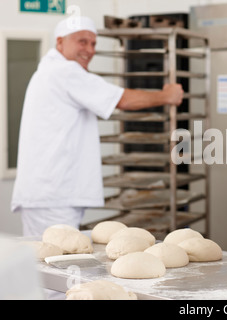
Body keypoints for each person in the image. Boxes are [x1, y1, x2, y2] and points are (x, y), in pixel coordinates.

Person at [11, 16, 184, 237]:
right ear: (60, 42)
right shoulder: (63, 72)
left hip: (53, 195)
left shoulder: (51, 72)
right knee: (51, 262)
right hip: (52, 197)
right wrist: (167, 95)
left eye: (93, 43)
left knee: (50, 262)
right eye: (82, 42)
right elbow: (123, 100)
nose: (90, 50)